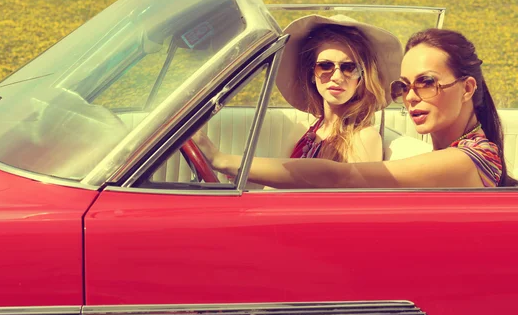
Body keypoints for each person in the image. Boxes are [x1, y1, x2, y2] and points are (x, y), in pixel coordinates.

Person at [194, 28, 514, 188]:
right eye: (404, 86)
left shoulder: (472, 157)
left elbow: (341, 177)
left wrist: (222, 159)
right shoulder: (452, 153)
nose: (411, 97)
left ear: (467, 88)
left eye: (427, 82)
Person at [274, 14, 403, 162]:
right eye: (325, 66)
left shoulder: (363, 138)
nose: (337, 77)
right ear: (311, 74)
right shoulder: (301, 129)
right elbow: (274, 183)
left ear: (361, 77)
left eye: (349, 68)